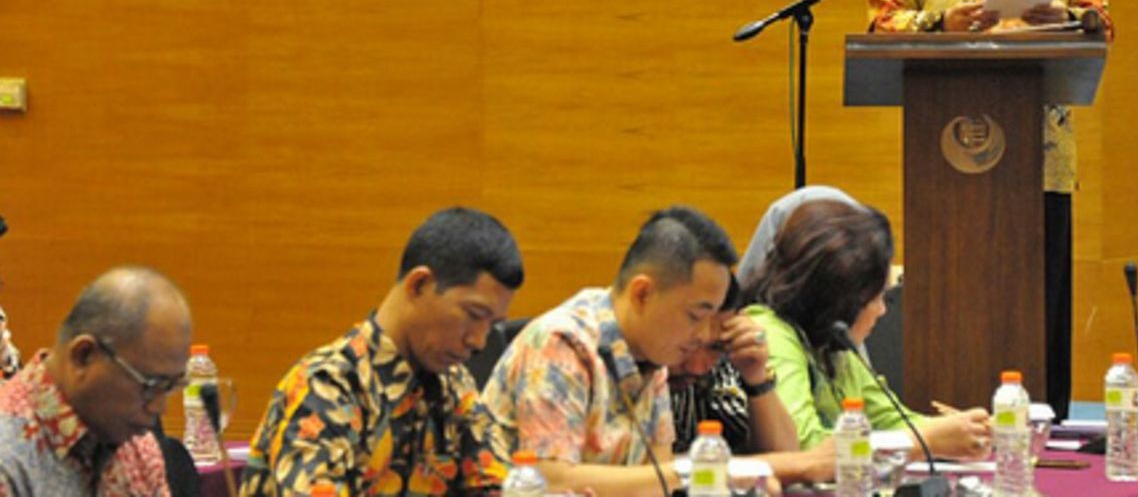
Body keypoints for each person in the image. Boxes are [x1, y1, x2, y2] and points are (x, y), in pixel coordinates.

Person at [866, 0, 1113, 420]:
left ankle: (1045, 429)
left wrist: (1069, 17)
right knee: (950, 297)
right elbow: (879, 22)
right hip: (941, 158)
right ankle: (937, 422)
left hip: (1041, 157)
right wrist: (938, 21)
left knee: (1039, 301)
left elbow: (1103, 26)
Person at [240, 207, 523, 497]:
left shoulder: (454, 386)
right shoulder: (327, 387)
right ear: (419, 285)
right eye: (474, 315)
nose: (479, 341)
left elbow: (496, 487)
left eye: (493, 325)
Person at [481, 206, 741, 497]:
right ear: (642, 294)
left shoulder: (653, 354)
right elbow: (551, 480)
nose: (704, 335)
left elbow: (656, 481)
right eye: (695, 316)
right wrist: (703, 470)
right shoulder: (563, 344)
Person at [743, 198, 991, 460]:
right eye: (876, 297)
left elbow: (891, 420)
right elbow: (807, 449)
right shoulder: (770, 332)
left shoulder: (832, 341)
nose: (883, 310)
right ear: (840, 295)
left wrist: (971, 431)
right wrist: (926, 442)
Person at [0, 266, 193, 496]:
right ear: (84, 355)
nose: (160, 407)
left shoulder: (136, 445)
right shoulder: (8, 462)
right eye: (149, 386)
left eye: (170, 387)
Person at [668, 277, 837, 485]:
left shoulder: (725, 360)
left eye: (715, 348)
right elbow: (649, 476)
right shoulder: (630, 365)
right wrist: (800, 465)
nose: (697, 366)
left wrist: (756, 376)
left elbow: (784, 454)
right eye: (690, 345)